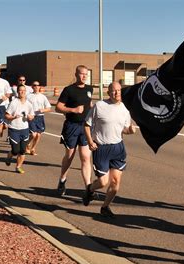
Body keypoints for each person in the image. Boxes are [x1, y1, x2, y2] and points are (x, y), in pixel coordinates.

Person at [82, 82, 136, 217]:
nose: (116, 93)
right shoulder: (99, 106)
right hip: (102, 148)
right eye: (113, 91)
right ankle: (90, 189)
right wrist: (89, 141)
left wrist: (130, 130)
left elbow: (123, 129)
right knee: (103, 182)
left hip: (118, 148)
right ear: (108, 93)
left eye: (118, 90)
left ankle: (105, 207)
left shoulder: (124, 109)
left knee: (115, 182)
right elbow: (87, 125)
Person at [55, 65, 93, 196]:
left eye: (86, 74)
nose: (84, 76)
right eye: (82, 74)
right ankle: (62, 179)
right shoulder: (69, 90)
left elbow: (89, 103)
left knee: (86, 158)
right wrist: (73, 110)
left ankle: (88, 187)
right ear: (76, 74)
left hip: (85, 127)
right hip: (71, 126)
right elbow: (58, 107)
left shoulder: (90, 89)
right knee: (70, 156)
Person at [4, 84, 35, 174]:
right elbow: (6, 115)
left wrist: (30, 116)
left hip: (24, 129)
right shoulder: (14, 102)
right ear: (17, 92)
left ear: (26, 92)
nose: (22, 92)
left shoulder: (29, 104)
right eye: (20, 90)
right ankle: (9, 156)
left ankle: (18, 167)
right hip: (14, 129)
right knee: (15, 150)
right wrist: (13, 117)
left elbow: (32, 116)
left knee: (22, 150)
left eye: (24, 91)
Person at [26, 80, 52, 155]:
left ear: (39, 87)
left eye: (38, 85)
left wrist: (43, 109)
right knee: (33, 134)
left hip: (40, 117)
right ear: (32, 87)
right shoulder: (28, 96)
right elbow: (24, 106)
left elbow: (49, 108)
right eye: (34, 85)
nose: (36, 87)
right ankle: (27, 144)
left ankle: (33, 148)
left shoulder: (43, 97)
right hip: (32, 117)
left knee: (38, 135)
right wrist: (27, 114)